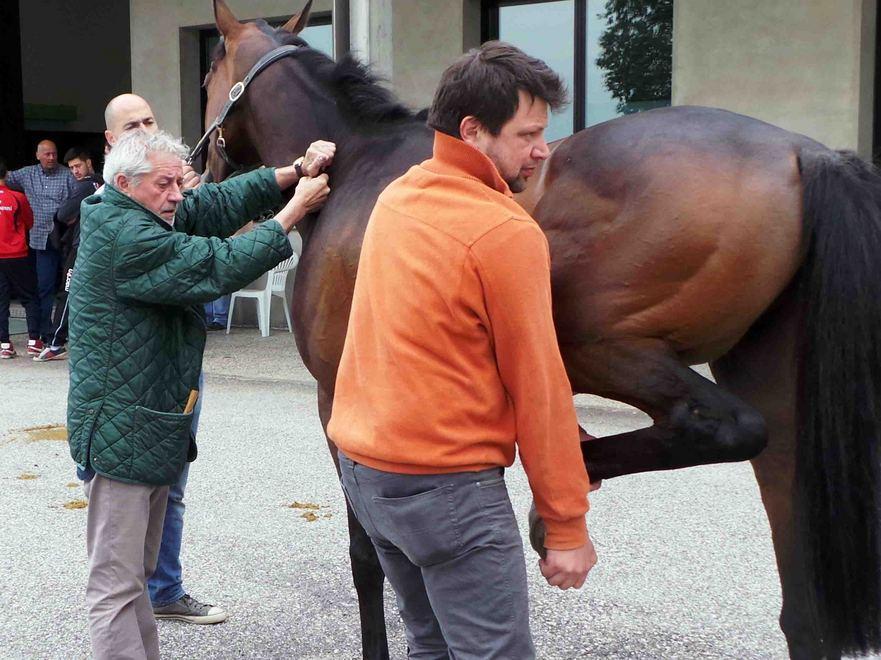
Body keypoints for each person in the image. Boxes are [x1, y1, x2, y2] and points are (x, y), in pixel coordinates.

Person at [327, 41, 597, 658]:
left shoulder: (397, 197)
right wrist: (566, 525)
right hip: (446, 490)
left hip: (367, 475)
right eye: (528, 134)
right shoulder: (503, 232)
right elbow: (540, 386)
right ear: (473, 131)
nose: (543, 149)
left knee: (431, 644)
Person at [67, 129, 332, 659]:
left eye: (176, 181)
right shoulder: (128, 236)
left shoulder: (142, 210)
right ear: (125, 183)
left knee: (134, 574)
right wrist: (291, 214)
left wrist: (291, 173)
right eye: (164, 183)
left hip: (146, 425)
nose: (176, 194)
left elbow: (210, 202)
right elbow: (212, 265)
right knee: (117, 581)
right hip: (124, 431)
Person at [5, 139, 77, 350]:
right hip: (40, 240)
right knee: (44, 288)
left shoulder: (67, 175)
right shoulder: (27, 174)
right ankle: (45, 333)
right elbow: (4, 179)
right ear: (37, 155)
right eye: (47, 154)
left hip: (64, 240)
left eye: (54, 154)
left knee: (70, 287)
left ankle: (65, 331)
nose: (51, 158)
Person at [35, 148, 103, 362]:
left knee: (68, 292)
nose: (75, 171)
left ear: (89, 163)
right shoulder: (104, 183)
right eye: (72, 167)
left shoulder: (85, 185)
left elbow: (63, 214)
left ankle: (55, 342)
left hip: (81, 246)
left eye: (78, 166)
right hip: (101, 246)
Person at [0, 158, 41, 359]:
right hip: (17, 254)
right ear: (6, 175)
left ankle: (5, 344)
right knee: (29, 296)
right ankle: (34, 341)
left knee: (1, 299)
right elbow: (29, 222)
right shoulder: (17, 197)